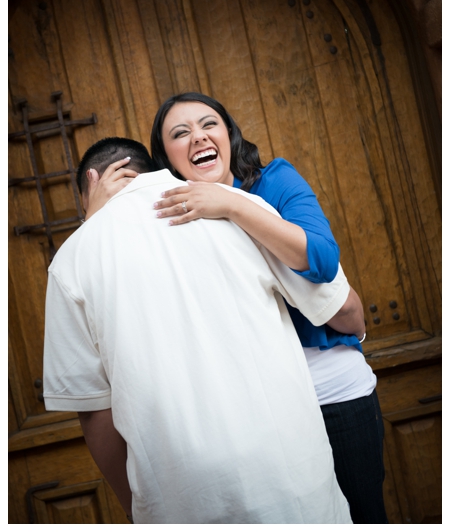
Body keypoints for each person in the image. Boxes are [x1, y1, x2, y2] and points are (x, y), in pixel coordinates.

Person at [44, 137, 360, 525]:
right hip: (292, 477)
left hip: (181, 500)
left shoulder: (72, 258)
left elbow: (94, 413)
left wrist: (136, 508)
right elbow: (339, 306)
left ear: (90, 181)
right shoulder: (236, 208)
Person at [140, 92, 387, 525]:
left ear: (229, 135)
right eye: (181, 134)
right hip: (258, 412)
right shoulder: (170, 218)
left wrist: (232, 204)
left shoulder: (274, 181)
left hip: (332, 393)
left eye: (208, 124)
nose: (198, 137)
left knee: (364, 516)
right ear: (167, 159)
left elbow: (322, 260)